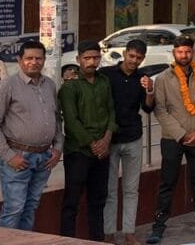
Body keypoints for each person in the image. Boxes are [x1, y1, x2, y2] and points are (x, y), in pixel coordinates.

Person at [146, 37, 195, 244]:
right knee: (167, 183)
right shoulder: (163, 78)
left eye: (187, 52)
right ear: (174, 53)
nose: (184, 55)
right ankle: (158, 226)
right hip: (172, 138)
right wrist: (181, 134)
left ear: (192, 53)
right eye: (180, 52)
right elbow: (160, 110)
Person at [0, 41, 63, 230]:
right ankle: (3, 242)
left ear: (44, 60)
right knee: (14, 208)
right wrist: (9, 156)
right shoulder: (7, 86)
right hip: (18, 157)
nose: (34, 62)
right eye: (29, 58)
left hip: (44, 158)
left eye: (38, 58)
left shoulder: (49, 85)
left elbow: (56, 119)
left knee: (31, 206)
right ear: (19, 60)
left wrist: (58, 148)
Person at [59, 41, 117, 241]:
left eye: (96, 58)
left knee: (98, 200)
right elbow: (71, 121)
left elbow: (111, 111)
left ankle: (97, 240)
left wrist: (107, 139)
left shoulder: (104, 81)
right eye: (87, 58)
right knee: (71, 201)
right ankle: (66, 241)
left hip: (103, 150)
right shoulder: (70, 86)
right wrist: (93, 144)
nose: (92, 62)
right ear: (78, 59)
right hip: (78, 152)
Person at [101, 40, 156, 245]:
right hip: (110, 139)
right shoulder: (106, 74)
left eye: (139, 58)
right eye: (131, 56)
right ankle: (108, 233)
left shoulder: (143, 78)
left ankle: (129, 232)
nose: (134, 61)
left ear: (143, 58)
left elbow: (148, 108)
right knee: (110, 190)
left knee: (131, 189)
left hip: (133, 137)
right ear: (125, 54)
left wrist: (150, 91)